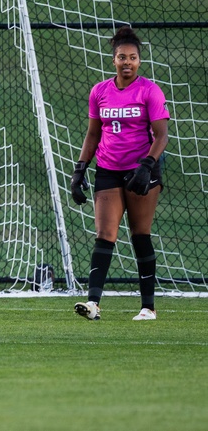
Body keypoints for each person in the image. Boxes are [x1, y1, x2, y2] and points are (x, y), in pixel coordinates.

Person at [70, 26, 170, 321]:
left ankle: (148, 307)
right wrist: (79, 170)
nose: (127, 62)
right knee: (105, 235)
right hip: (108, 171)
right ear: (113, 60)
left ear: (139, 61)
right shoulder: (100, 91)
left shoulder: (150, 90)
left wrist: (147, 166)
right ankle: (93, 304)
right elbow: (92, 134)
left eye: (133, 58)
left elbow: (161, 136)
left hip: (141, 171)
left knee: (140, 235)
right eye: (122, 57)